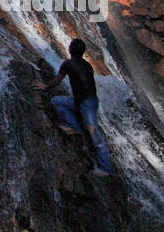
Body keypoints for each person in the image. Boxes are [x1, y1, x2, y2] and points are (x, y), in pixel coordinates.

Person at [36, 38, 113, 177]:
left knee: (93, 133)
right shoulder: (87, 65)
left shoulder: (68, 64)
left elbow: (58, 81)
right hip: (87, 101)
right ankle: (74, 127)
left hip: (86, 103)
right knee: (56, 101)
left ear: (70, 50)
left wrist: (45, 86)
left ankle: (107, 169)